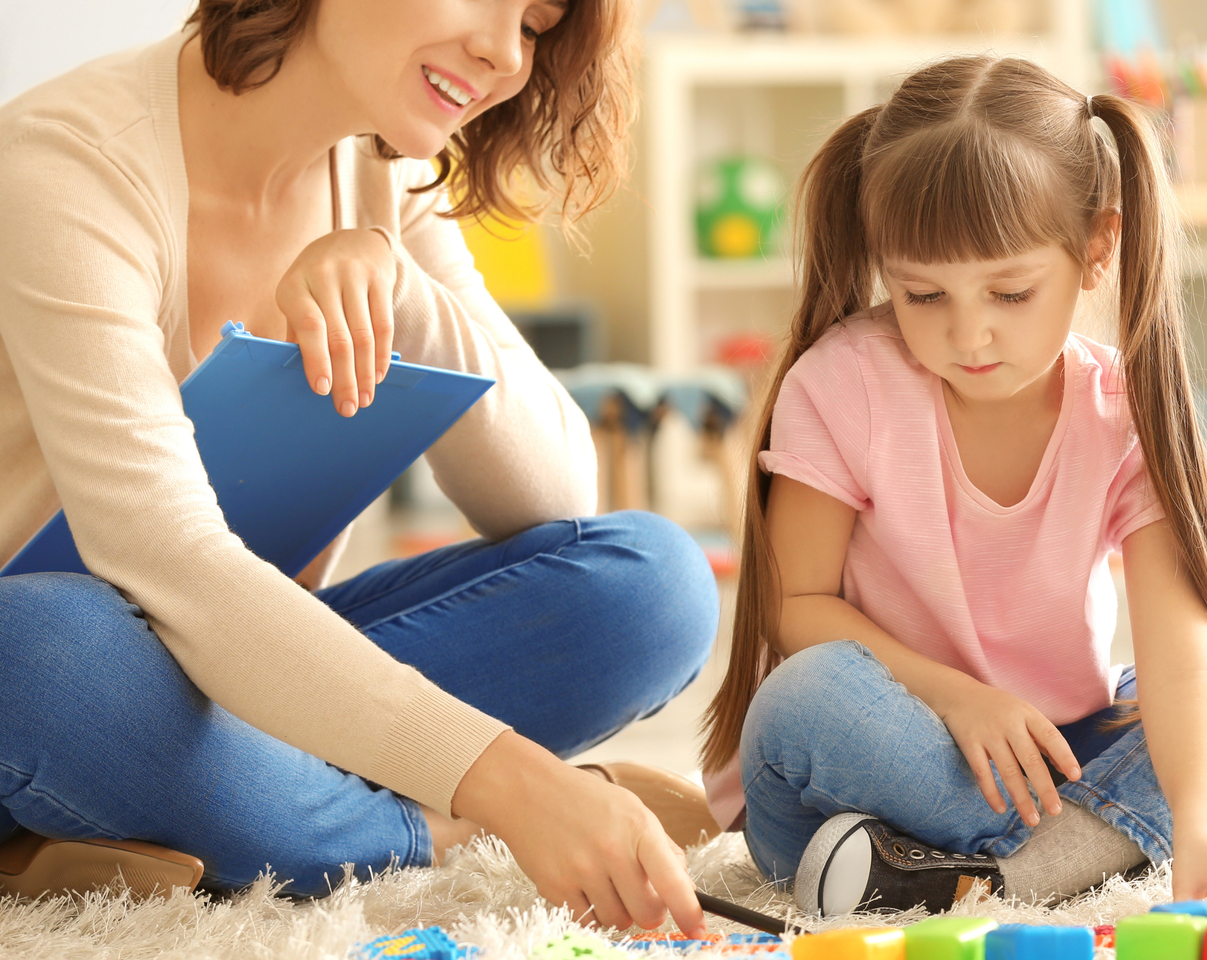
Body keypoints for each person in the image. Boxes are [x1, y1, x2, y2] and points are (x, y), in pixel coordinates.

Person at [0, 0, 719, 935]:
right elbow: (168, 563)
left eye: (535, 26)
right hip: (65, 673)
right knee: (37, 650)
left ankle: (249, 817)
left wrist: (403, 288)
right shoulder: (65, 165)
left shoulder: (387, 168)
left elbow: (552, 497)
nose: (504, 54)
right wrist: (511, 785)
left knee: (651, 587)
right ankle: (438, 833)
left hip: (235, 677)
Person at [697, 55, 1207, 920]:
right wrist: (958, 697)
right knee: (800, 703)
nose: (967, 333)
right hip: (896, 754)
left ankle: (996, 875)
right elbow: (799, 606)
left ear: (1096, 249)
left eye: (1009, 292)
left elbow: (1181, 649)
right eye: (921, 293)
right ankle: (1113, 847)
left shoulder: (1124, 409)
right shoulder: (844, 381)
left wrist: (1202, 828)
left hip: (1059, 751)